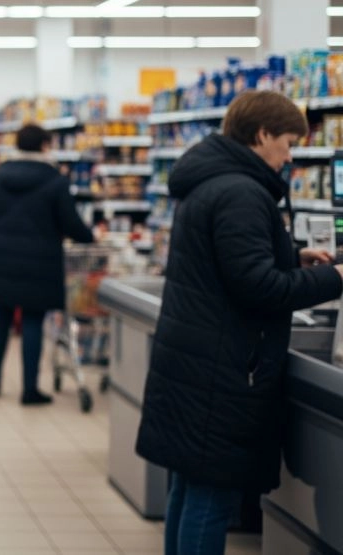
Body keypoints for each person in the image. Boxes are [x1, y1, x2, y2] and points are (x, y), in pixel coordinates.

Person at [135, 91, 343, 555]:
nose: (290, 157)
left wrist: (291, 257)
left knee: (188, 487)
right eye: (288, 143)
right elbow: (259, 286)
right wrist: (334, 278)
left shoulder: (212, 180)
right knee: (211, 497)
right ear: (263, 135)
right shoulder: (242, 192)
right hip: (220, 370)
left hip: (196, 360)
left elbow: (228, 263)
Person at [0, 123, 94, 405]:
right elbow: (70, 222)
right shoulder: (55, 180)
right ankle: (29, 389)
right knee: (32, 320)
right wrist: (89, 236)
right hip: (39, 260)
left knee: (1, 318)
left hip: (2, 256)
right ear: (44, 145)